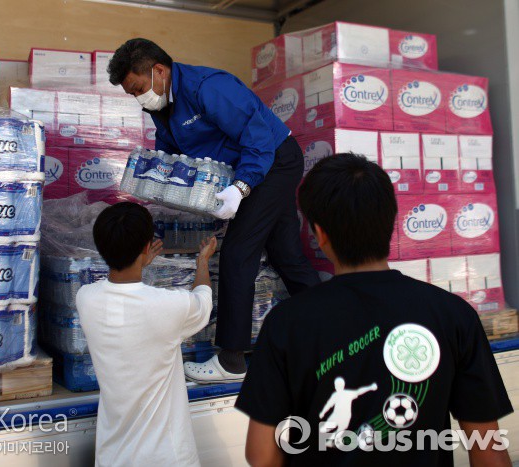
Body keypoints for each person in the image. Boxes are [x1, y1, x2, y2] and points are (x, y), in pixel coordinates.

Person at [235, 154, 513, 466]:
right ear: (391, 222)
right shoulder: (453, 314)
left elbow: (261, 455)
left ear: (319, 234)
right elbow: (489, 452)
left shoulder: (286, 323)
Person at [108, 39, 320, 383]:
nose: (138, 98)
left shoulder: (208, 87)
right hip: (250, 168)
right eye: (131, 94)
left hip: (273, 161)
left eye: (137, 88)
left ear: (158, 70)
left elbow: (258, 138)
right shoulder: (162, 106)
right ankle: (335, 328)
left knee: (238, 253)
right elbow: (172, 154)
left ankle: (232, 360)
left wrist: (242, 187)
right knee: (286, 255)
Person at [76, 202, 217, 466]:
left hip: (113, 457)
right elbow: (203, 300)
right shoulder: (169, 305)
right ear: (146, 247)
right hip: (166, 458)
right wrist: (202, 262)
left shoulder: (86, 298)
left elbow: (124, 301)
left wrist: (139, 261)